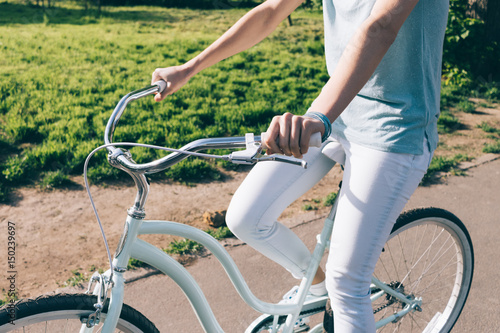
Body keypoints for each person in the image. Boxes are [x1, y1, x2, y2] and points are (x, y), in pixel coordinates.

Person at [151, 0, 449, 331]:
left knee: (347, 285)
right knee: (246, 218)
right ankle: (315, 289)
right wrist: (188, 68)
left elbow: (380, 27)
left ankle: (332, 288)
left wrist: (318, 116)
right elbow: (272, 11)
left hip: (394, 126)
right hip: (341, 114)